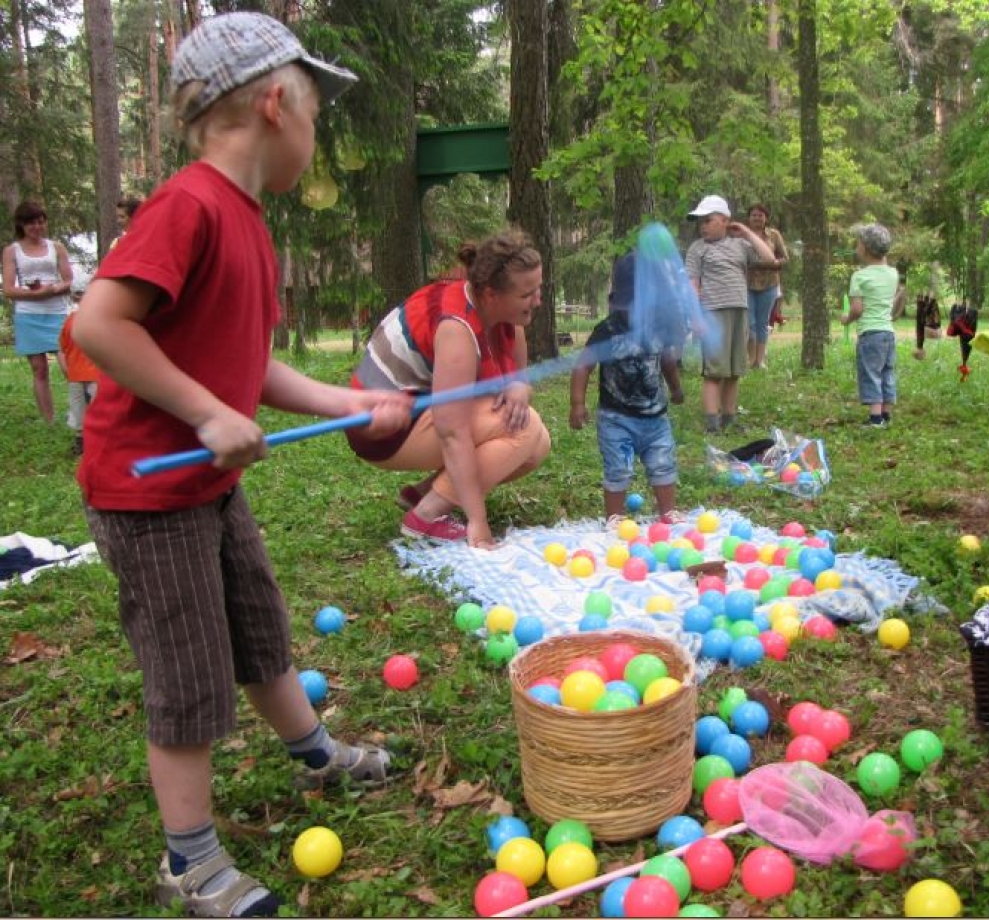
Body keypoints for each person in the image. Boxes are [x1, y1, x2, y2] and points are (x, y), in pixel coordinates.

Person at [72, 13, 412, 917]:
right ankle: (188, 858)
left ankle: (314, 754)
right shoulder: (188, 205)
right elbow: (99, 324)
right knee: (188, 672)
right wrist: (204, 411)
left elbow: (247, 362)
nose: (316, 136)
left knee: (259, 629)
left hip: (209, 487)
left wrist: (349, 400)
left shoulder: (249, 224)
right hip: (148, 494)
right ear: (274, 104)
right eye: (314, 115)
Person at [346, 228, 552, 549]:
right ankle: (426, 517)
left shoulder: (507, 321)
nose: (538, 301)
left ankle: (428, 491)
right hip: (382, 426)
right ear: (491, 295)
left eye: (538, 289)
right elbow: (452, 431)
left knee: (537, 444)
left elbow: (519, 381)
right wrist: (478, 522)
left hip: (421, 411)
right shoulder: (457, 328)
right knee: (525, 429)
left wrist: (519, 389)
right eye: (527, 295)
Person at [569, 251, 685, 526]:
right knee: (618, 468)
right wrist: (577, 404)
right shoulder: (607, 331)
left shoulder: (658, 328)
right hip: (616, 418)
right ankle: (615, 516)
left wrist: (676, 389)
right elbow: (583, 366)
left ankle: (667, 512)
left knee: (663, 463)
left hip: (656, 418)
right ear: (618, 301)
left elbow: (667, 361)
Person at [684, 194, 777, 434]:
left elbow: (769, 258)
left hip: (739, 311)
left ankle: (729, 417)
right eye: (700, 222)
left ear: (725, 220)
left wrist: (746, 232)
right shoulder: (698, 249)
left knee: (735, 370)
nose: (703, 226)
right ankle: (712, 423)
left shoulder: (740, 245)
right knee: (715, 371)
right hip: (712, 313)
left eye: (708, 220)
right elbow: (692, 284)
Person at [2, 200, 74, 424]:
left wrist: (54, 289)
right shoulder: (12, 251)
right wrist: (35, 294)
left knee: (68, 365)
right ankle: (49, 420)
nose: (37, 227)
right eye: (32, 223)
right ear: (21, 225)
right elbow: (9, 289)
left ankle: (79, 414)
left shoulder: (56, 247)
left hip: (57, 311)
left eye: (41, 222)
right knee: (39, 369)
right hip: (28, 314)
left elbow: (69, 280)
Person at [840, 223, 900, 427]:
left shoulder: (860, 276)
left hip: (870, 333)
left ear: (865, 247)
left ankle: (875, 419)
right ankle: (886, 414)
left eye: (858, 243)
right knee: (886, 372)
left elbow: (857, 309)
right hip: (888, 332)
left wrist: (846, 320)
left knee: (871, 373)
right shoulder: (893, 274)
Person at [57, 275, 99, 456]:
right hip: (76, 375)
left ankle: (98, 438)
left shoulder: (100, 320)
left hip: (97, 375)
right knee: (78, 409)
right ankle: (81, 440)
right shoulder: (69, 322)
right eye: (79, 294)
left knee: (98, 407)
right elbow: (61, 349)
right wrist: (66, 369)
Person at [744, 203, 788, 369]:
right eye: (754, 215)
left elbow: (785, 258)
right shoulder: (742, 236)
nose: (757, 218)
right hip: (747, 284)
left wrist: (773, 263)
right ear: (749, 218)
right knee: (750, 323)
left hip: (769, 284)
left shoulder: (774, 235)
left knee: (763, 323)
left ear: (766, 218)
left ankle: (760, 361)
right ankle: (751, 359)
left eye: (760, 215)